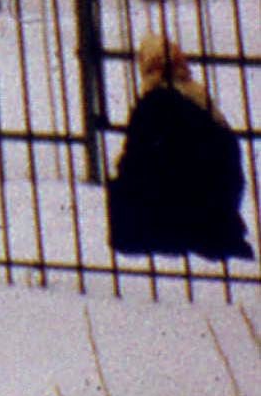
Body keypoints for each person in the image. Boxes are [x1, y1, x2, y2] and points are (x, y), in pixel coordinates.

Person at [106, 33, 253, 263]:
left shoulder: (153, 104)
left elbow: (134, 164)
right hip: (215, 208)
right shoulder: (200, 99)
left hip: (172, 215)